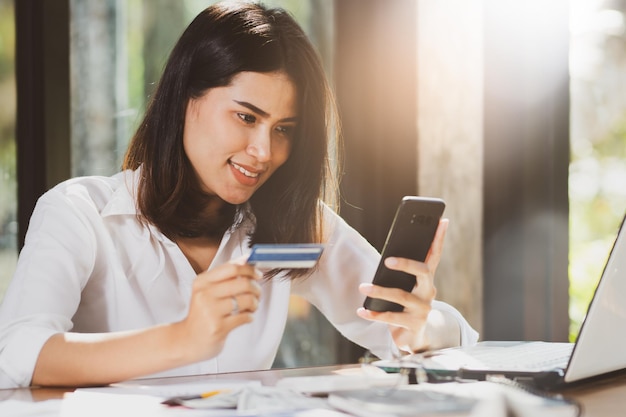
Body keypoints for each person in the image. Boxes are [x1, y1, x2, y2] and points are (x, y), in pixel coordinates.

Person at [0, 1, 478, 389]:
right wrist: (182, 338)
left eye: (284, 129)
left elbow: (415, 331)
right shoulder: (82, 214)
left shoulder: (291, 228)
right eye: (246, 117)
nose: (264, 151)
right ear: (186, 96)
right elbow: (19, 353)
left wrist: (419, 325)